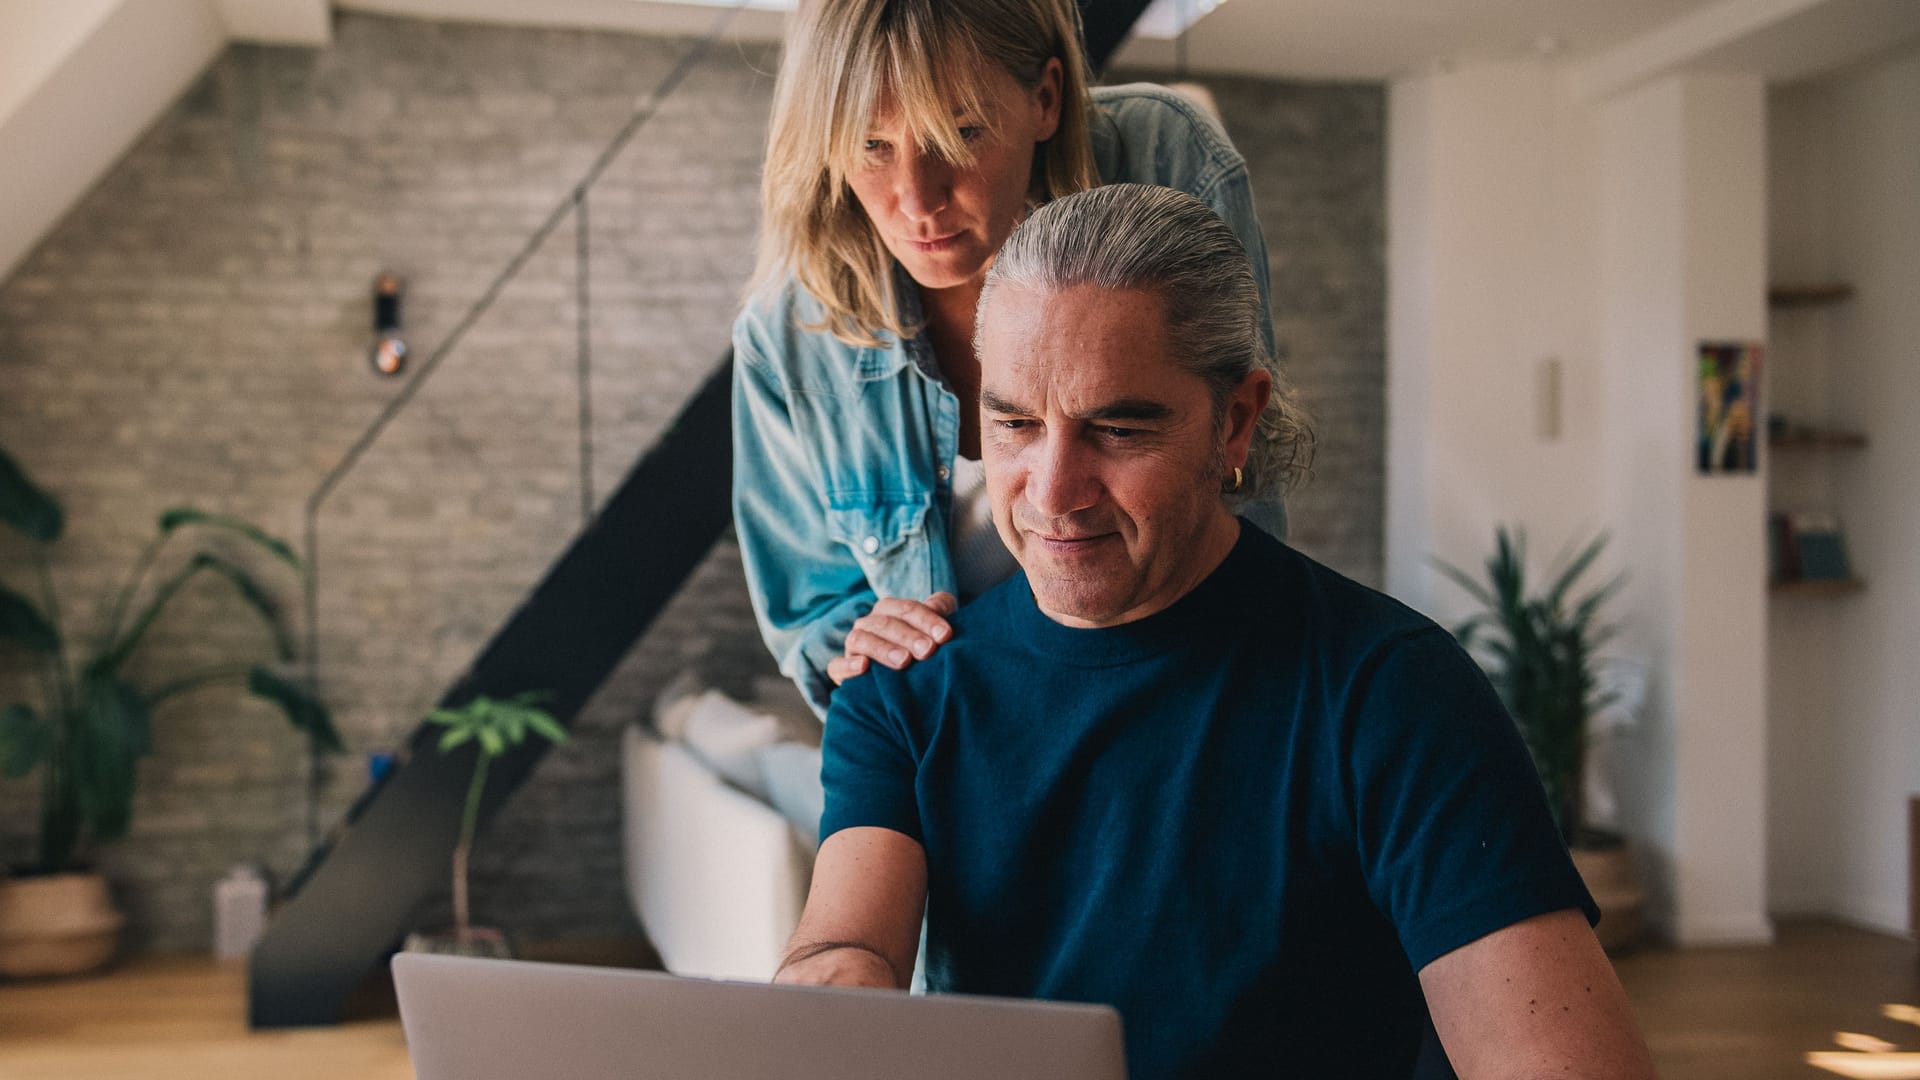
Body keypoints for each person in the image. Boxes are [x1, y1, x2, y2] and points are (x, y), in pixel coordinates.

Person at [776, 185, 1655, 1080]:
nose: (1050, 492)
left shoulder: (1391, 692)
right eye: (1014, 424)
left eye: (1116, 428)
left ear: (1234, 420)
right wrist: (822, 1009)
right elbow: (849, 949)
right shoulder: (903, 689)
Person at [732, 0, 1283, 715]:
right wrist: (863, 646)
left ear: (1045, 98)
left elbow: (1241, 482)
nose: (918, 201)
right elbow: (811, 617)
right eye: (871, 145)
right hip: (965, 735)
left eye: (961, 133)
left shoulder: (1164, 160)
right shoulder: (789, 337)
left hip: (1179, 696)